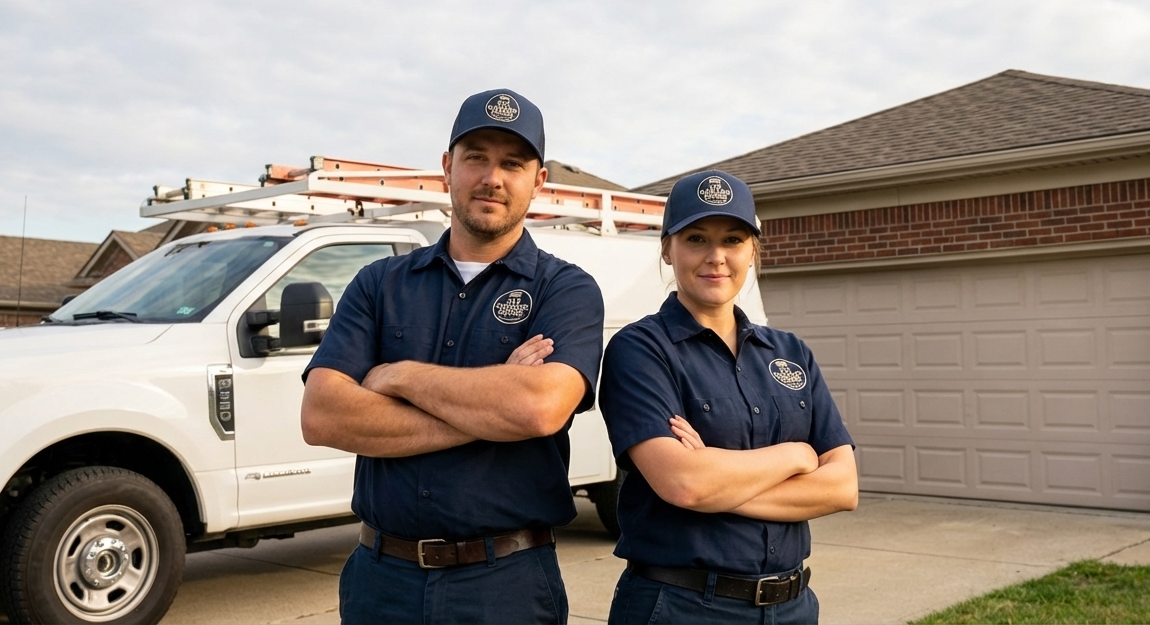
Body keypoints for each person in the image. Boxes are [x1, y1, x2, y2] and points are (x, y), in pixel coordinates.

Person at [300, 89, 606, 625]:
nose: (493, 177)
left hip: (505, 586)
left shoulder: (566, 290)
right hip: (381, 582)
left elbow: (538, 409)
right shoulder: (379, 283)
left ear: (538, 182)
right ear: (447, 168)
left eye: (513, 163)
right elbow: (323, 414)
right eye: (476, 158)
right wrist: (493, 404)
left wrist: (397, 374)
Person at [599, 169, 858, 625]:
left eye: (733, 240)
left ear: (753, 250)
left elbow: (842, 487)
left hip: (793, 607)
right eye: (696, 238)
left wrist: (716, 480)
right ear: (666, 249)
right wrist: (797, 455)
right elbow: (684, 484)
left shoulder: (791, 353)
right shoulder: (640, 351)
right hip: (681, 606)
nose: (716, 257)